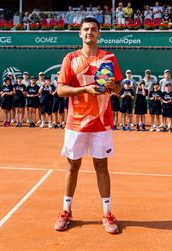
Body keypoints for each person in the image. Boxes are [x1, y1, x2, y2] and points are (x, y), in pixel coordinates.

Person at [54, 17, 123, 234]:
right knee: (72, 166)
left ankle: (107, 213)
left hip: (101, 123)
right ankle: (66, 211)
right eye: (85, 29)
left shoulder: (109, 58)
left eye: (93, 29)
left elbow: (119, 90)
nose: (89, 33)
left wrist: (114, 85)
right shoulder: (71, 58)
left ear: (99, 33)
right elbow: (61, 90)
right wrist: (84, 90)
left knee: (101, 167)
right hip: (76, 123)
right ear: (79, 33)